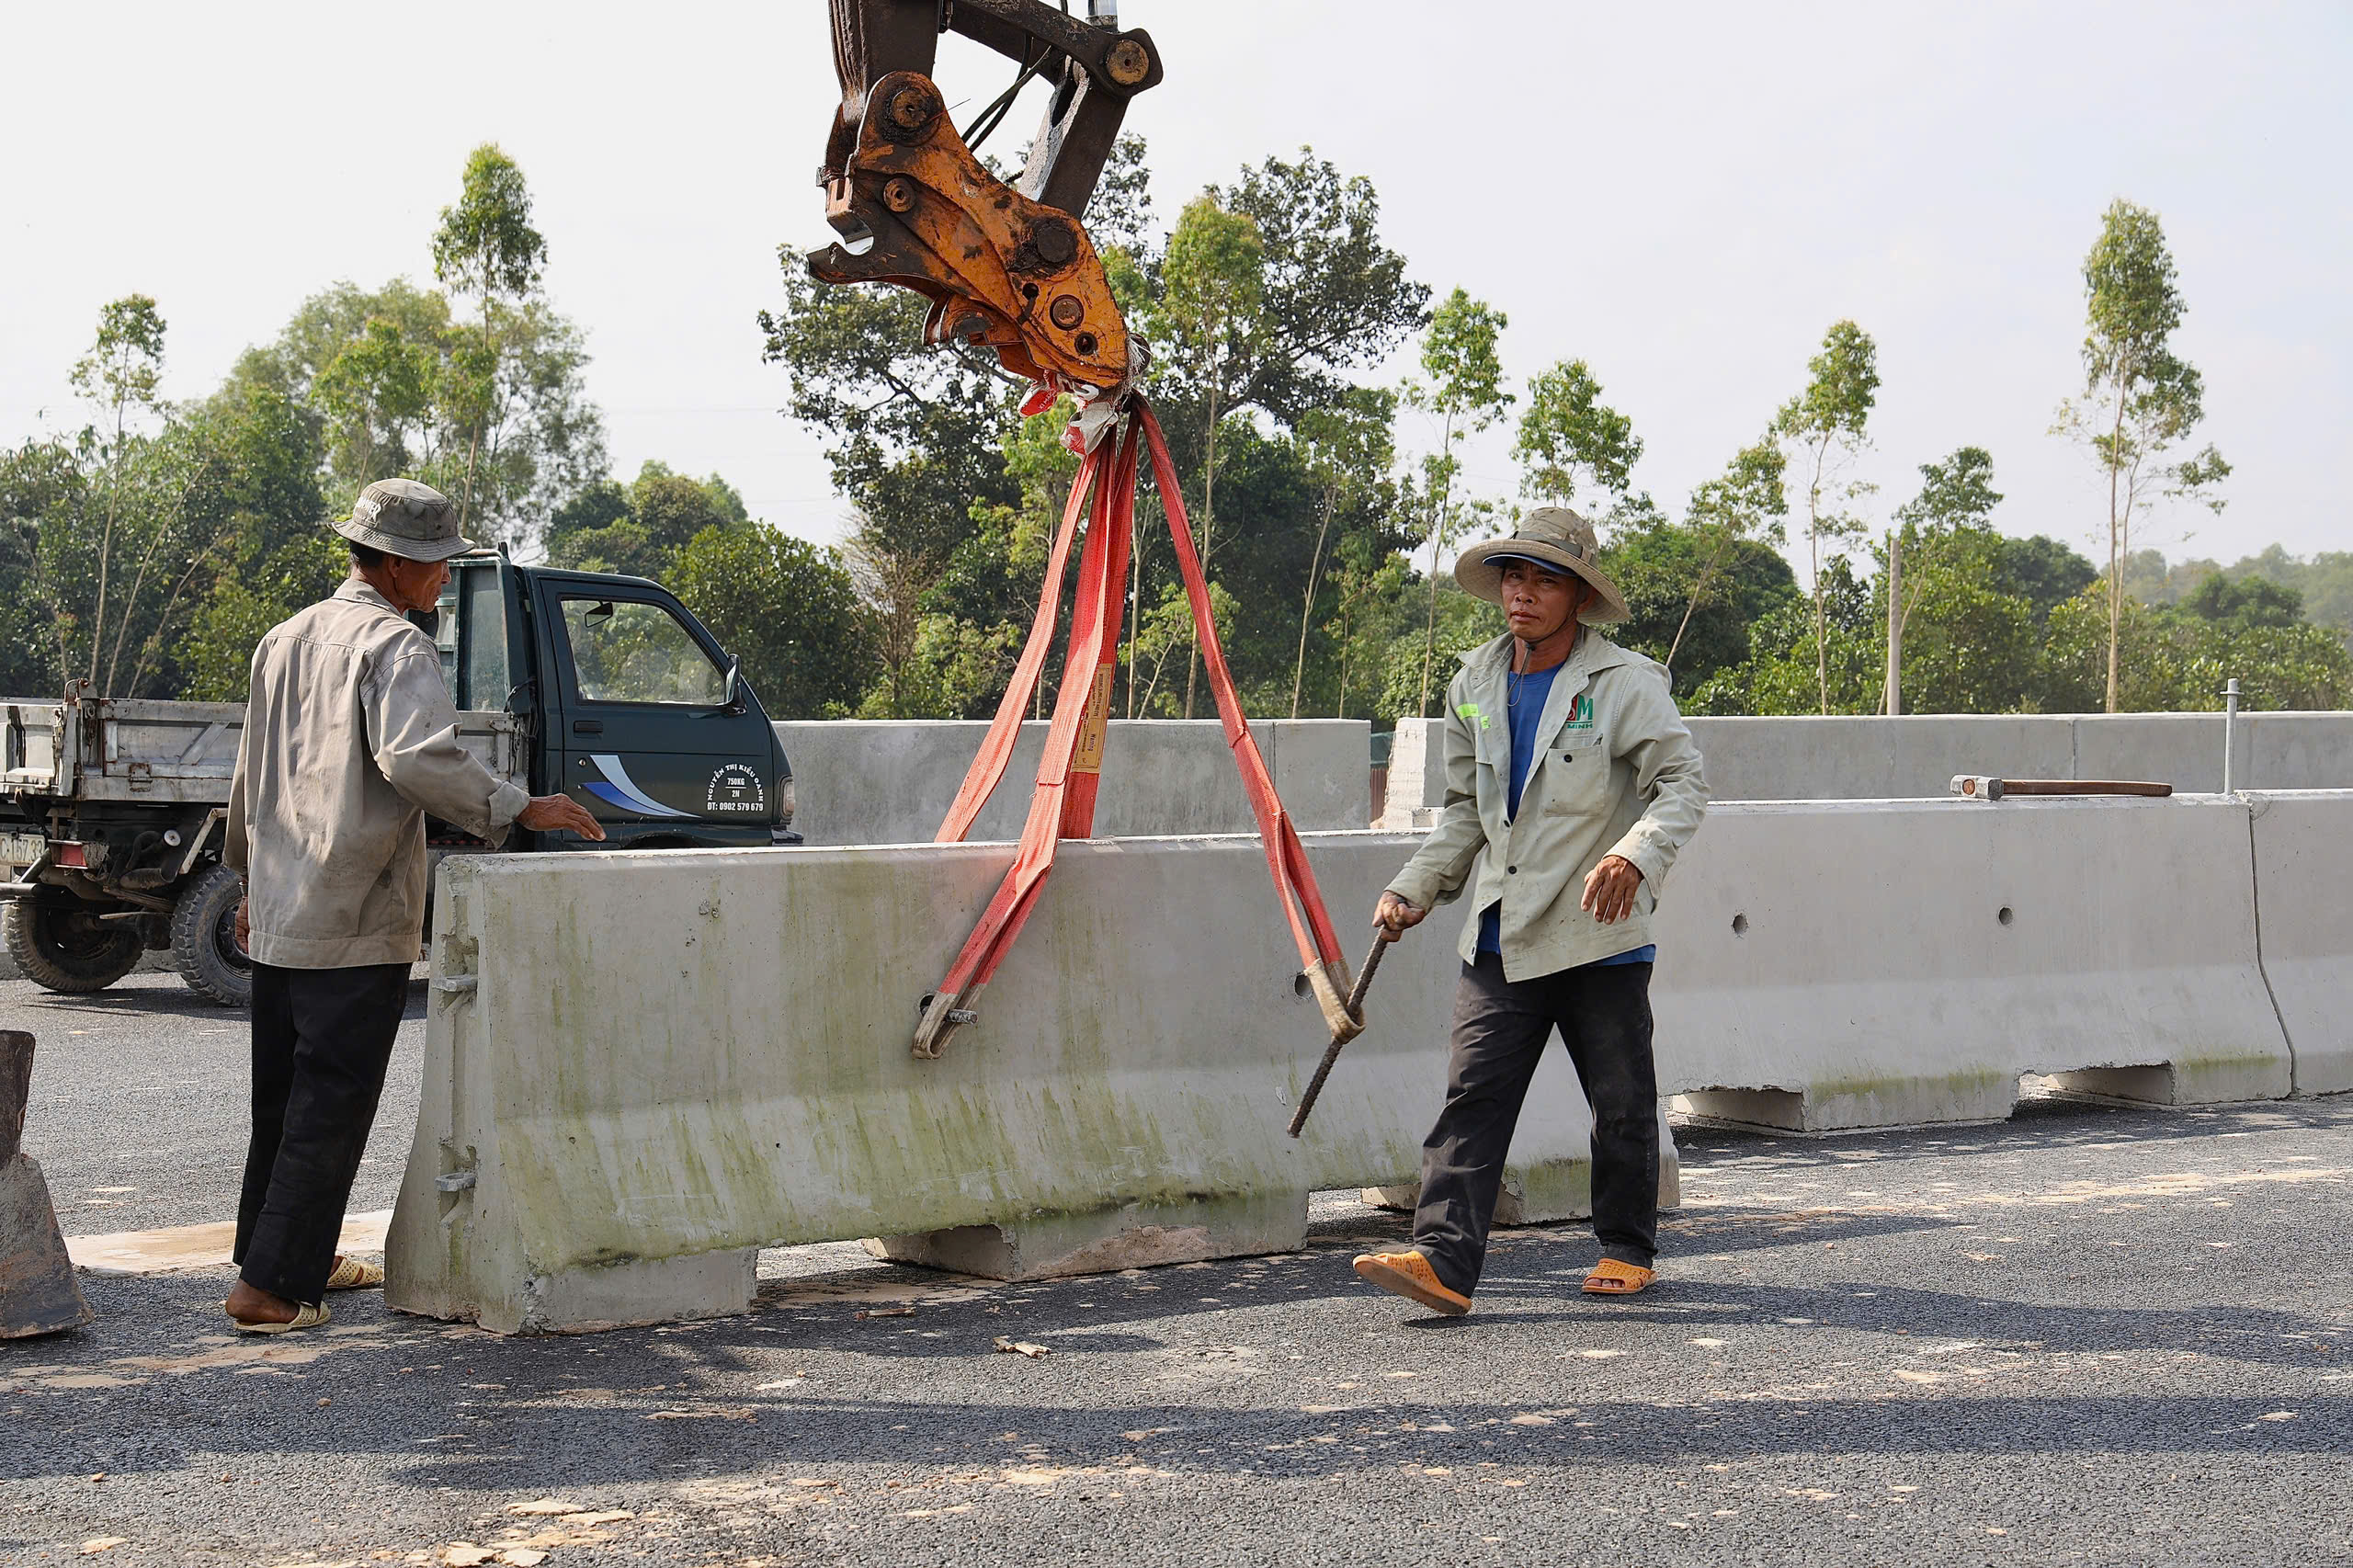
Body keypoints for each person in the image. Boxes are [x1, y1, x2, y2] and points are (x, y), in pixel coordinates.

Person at [220, 479, 603, 1334]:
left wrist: (246, 882)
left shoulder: (285, 638)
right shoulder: (396, 647)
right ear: (393, 566)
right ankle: (272, 1290)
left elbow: (250, 779)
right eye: (433, 569)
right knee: (333, 1101)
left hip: (285, 906)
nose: (440, 585)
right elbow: (416, 761)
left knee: (282, 1101)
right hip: (353, 914)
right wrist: (516, 805)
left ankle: (280, 1257)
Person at [1352, 506, 1708, 1317]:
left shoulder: (1625, 684)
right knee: (1472, 1096)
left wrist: (1635, 854)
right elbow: (1464, 812)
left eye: (1545, 579)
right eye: (1515, 576)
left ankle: (1626, 1247)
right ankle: (1443, 1262)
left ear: (1578, 596)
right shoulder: (1474, 684)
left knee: (1621, 1103)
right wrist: (1415, 885)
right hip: (1500, 929)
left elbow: (1682, 786)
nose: (1524, 592)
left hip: (1598, 932)